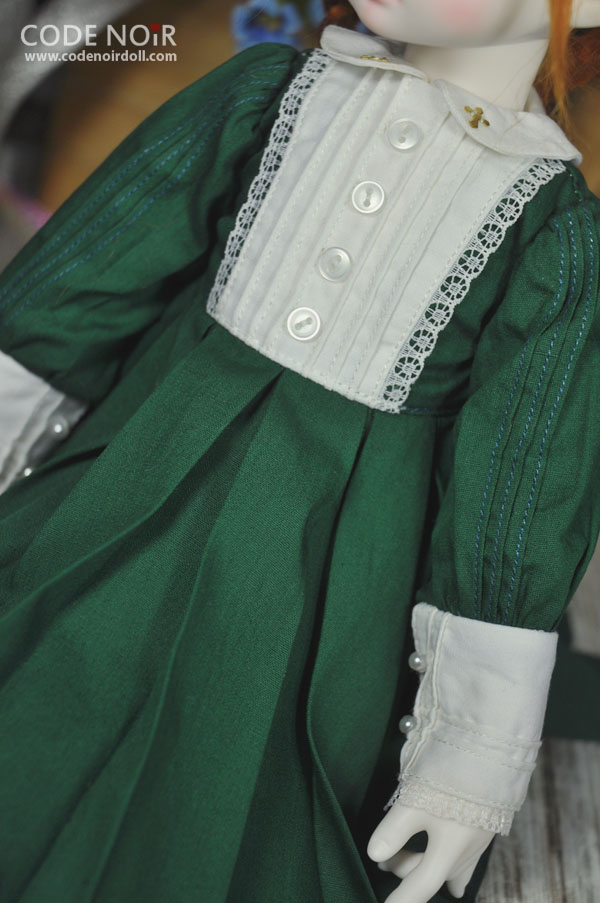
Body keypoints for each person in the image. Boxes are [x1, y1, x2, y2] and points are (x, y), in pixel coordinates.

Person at [0, 1, 599, 901]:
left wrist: (469, 756)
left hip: (325, 595)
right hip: (124, 486)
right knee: (44, 670)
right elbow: (86, 281)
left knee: (231, 795)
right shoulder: (269, 96)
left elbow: (516, 493)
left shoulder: (551, 235)